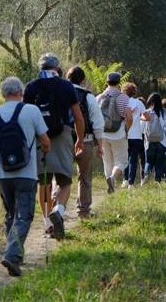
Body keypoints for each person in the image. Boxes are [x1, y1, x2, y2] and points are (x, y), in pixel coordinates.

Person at [0, 77, 50, 277]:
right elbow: (45, 140)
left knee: (11, 214)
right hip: (26, 173)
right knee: (24, 215)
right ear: (21, 92)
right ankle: (12, 255)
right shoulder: (32, 111)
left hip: (2, 173)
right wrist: (44, 152)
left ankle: (14, 253)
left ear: (3, 94)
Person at [23, 53, 85, 240]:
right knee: (65, 181)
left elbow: (25, 116)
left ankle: (47, 223)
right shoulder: (66, 86)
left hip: (39, 137)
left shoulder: (32, 87)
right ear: (57, 68)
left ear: (40, 68)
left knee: (44, 181)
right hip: (62, 134)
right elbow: (78, 117)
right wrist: (79, 140)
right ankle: (58, 211)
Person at [66, 66, 104, 218]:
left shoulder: (61, 94)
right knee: (85, 177)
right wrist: (100, 145)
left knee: (61, 176)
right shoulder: (88, 97)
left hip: (64, 141)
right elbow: (98, 123)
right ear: (83, 80)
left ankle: (57, 208)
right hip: (86, 141)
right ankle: (83, 211)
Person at [97, 72, 133, 193]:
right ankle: (112, 178)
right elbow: (129, 117)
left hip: (103, 134)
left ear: (107, 82)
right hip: (118, 134)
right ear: (119, 82)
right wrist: (126, 130)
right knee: (122, 161)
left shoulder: (99, 97)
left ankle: (109, 181)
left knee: (107, 161)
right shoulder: (124, 98)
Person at [121, 83, 146, 188]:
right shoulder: (139, 103)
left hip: (123, 135)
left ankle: (125, 180)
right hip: (136, 135)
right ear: (134, 92)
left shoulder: (122, 103)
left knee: (124, 159)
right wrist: (139, 117)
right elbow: (147, 117)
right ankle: (131, 184)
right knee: (133, 159)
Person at [141, 92, 166, 185]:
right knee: (159, 163)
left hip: (149, 141)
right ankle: (158, 182)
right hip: (162, 141)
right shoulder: (164, 112)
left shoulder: (147, 112)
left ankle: (146, 176)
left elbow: (142, 128)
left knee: (149, 161)